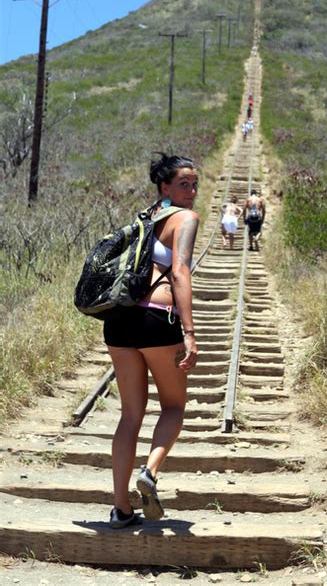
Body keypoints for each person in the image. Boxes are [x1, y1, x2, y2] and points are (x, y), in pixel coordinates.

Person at [103, 153, 199, 529]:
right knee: (174, 407)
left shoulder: (146, 217)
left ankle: (120, 508)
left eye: (194, 184)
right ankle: (150, 473)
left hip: (119, 322)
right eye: (183, 184)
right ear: (165, 187)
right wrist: (189, 332)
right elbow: (179, 272)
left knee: (130, 416)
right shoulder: (185, 218)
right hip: (157, 320)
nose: (191, 192)